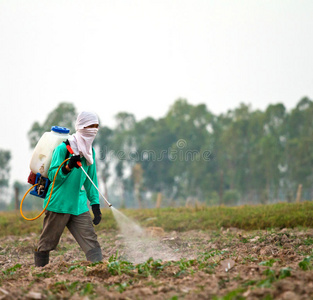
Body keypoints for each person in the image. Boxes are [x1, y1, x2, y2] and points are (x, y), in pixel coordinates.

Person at [34, 111, 103, 267]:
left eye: (96, 127)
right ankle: (39, 273)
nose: (93, 130)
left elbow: (91, 181)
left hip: (78, 206)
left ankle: (99, 272)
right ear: (81, 127)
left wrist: (95, 204)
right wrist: (67, 166)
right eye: (90, 126)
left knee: (92, 243)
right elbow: (52, 174)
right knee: (46, 244)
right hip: (58, 204)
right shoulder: (62, 149)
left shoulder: (89, 152)